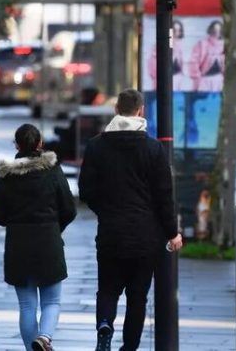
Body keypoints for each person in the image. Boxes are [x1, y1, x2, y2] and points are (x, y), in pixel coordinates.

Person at [78, 89, 183, 351]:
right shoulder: (153, 149)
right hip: (145, 237)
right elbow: (163, 195)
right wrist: (172, 232)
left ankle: (104, 325)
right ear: (141, 111)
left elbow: (86, 189)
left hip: (111, 232)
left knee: (108, 290)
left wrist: (105, 210)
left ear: (116, 109)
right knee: (137, 297)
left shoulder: (96, 146)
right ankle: (129, 347)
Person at [0, 124, 77, 351]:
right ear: (40, 144)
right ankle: (45, 337)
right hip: (48, 241)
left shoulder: (6, 175)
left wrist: (15, 224)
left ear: (17, 145)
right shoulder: (52, 170)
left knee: (27, 306)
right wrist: (56, 228)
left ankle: (33, 348)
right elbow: (69, 208)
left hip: (18, 244)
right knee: (52, 301)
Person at [190, 20, 225, 92]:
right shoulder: (202, 44)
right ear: (211, 30)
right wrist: (197, 77)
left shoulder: (223, 45)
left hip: (219, 79)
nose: (216, 33)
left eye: (219, 31)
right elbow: (194, 61)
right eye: (214, 30)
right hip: (205, 79)